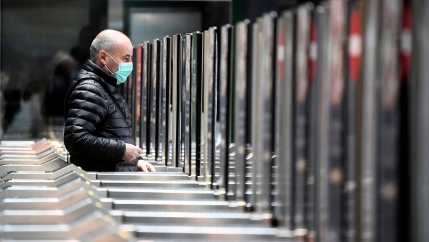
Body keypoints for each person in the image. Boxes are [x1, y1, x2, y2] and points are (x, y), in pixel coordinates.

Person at [63, 29, 155, 172]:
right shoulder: (91, 88)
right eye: (125, 58)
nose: (130, 64)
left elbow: (112, 134)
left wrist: (135, 160)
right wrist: (121, 151)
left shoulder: (105, 86)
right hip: (100, 181)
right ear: (103, 57)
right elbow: (76, 139)